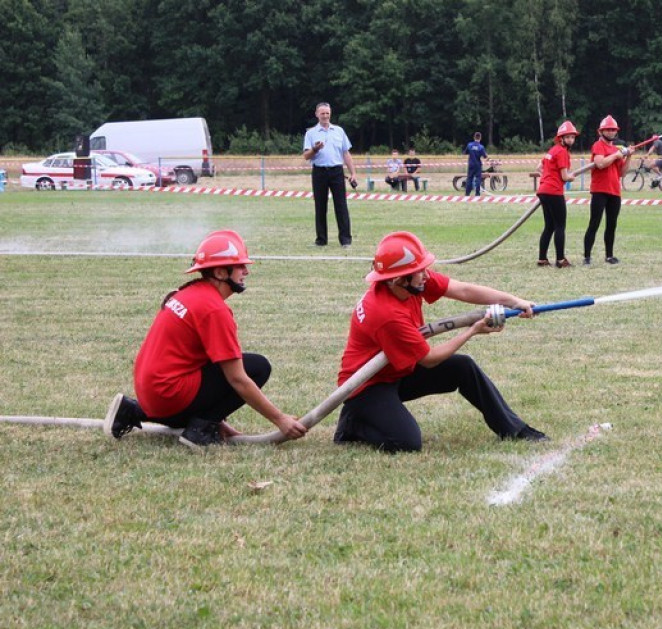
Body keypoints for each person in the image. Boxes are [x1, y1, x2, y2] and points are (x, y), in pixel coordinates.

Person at [333, 231, 549, 452]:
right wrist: (472, 331)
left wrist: (515, 302)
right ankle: (354, 423)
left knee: (463, 367)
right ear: (399, 279)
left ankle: (513, 429)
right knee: (407, 442)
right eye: (420, 271)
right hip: (366, 386)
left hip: (396, 370)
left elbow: (463, 290)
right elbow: (429, 359)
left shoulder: (411, 283)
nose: (426, 275)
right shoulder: (387, 314)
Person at [103, 230, 308, 448]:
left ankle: (132, 411)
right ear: (220, 272)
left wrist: (217, 418)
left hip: (152, 395)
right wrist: (280, 419)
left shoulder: (189, 292)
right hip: (168, 397)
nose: (246, 271)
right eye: (240, 266)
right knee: (257, 367)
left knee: (225, 367)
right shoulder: (213, 309)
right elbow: (237, 379)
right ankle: (200, 431)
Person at [302, 102, 358, 247]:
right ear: (317, 114)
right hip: (319, 172)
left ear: (330, 113)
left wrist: (353, 173)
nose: (325, 116)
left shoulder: (339, 131)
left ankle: (345, 240)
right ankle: (321, 240)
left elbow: (346, 153)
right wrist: (315, 149)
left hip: (337, 171)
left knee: (341, 205)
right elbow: (306, 156)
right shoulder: (311, 133)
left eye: (327, 113)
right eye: (322, 113)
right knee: (320, 206)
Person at [583, 115, 631, 265]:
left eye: (613, 129)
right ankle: (587, 257)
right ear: (601, 131)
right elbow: (600, 164)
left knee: (612, 224)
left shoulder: (616, 149)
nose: (611, 132)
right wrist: (616, 155)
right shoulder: (598, 146)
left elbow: (622, 173)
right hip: (600, 190)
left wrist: (629, 157)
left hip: (615, 191)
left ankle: (609, 256)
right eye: (608, 129)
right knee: (594, 223)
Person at [535, 120, 578, 268]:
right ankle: (560, 260)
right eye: (568, 137)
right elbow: (565, 177)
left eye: (572, 137)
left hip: (543, 190)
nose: (571, 140)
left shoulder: (552, 150)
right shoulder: (562, 152)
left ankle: (542, 259)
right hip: (554, 192)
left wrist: (548, 178)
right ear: (561, 138)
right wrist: (571, 177)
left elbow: (539, 167)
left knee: (549, 226)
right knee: (560, 226)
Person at [463, 132, 487, 196]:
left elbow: (465, 152)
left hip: (471, 164)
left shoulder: (469, 145)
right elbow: (485, 156)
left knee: (469, 179)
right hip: (478, 165)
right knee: (478, 179)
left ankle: (467, 193)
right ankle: (477, 193)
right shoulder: (481, 147)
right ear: (480, 138)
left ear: (474, 137)